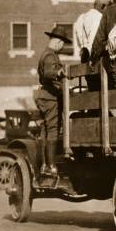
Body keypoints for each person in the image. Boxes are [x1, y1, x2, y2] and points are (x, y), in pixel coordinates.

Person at [34, 26, 71, 175]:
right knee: (53, 130)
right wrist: (59, 72)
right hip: (50, 97)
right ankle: (51, 166)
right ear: (57, 41)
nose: (63, 47)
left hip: (44, 96)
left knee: (45, 130)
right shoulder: (50, 55)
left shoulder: (46, 54)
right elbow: (49, 72)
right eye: (62, 43)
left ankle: (44, 165)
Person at [74, 0, 111, 64]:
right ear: (103, 6)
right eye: (108, 7)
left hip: (84, 54)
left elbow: (78, 37)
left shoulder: (82, 17)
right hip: (94, 56)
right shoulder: (99, 17)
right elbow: (95, 38)